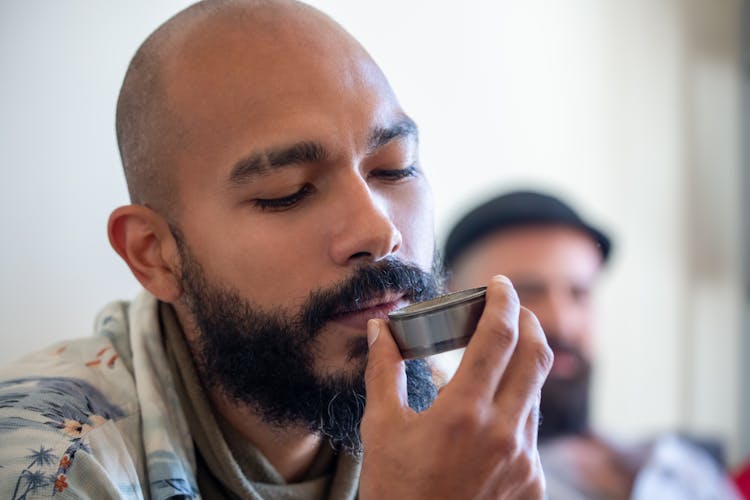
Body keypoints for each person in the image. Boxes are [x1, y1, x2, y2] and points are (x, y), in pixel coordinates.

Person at [0, 1, 553, 499]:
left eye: (395, 168)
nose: (378, 233)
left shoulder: (459, 432)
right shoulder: (47, 464)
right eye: (287, 194)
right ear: (154, 254)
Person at [443, 190, 741, 499]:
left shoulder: (680, 463)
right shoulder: (446, 483)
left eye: (579, 293)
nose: (563, 322)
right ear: (453, 311)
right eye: (525, 293)